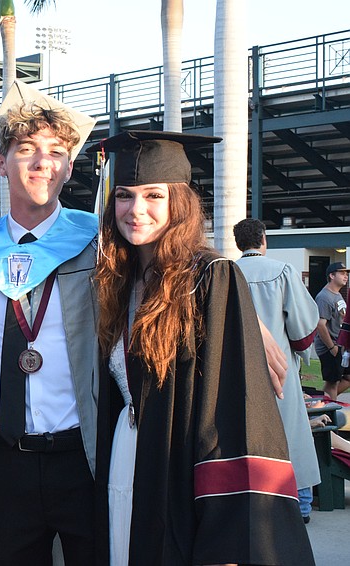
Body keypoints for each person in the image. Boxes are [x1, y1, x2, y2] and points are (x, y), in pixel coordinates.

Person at [92, 130, 315, 565]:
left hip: (182, 474)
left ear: (179, 201)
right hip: (127, 458)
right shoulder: (116, 281)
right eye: (124, 195)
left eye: (153, 195)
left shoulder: (209, 277)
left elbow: (233, 411)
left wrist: (227, 538)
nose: (136, 210)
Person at [0, 80, 101, 566]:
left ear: (69, 166)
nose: (43, 163)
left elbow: (170, 282)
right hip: (4, 462)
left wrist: (251, 322)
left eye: (57, 152)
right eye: (27, 150)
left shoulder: (100, 246)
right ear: (1, 162)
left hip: (82, 458)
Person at [234, 217, 321, 522]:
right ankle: (299, 507)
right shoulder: (282, 271)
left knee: (245, 439)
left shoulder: (225, 274)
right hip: (279, 370)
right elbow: (302, 330)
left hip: (237, 371)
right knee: (291, 438)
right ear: (263, 239)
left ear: (237, 243)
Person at [314, 261, 350, 400]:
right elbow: (321, 325)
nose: (345, 276)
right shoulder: (324, 297)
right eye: (342, 273)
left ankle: (322, 401)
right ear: (332, 275)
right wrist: (332, 347)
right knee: (332, 382)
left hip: (341, 346)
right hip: (330, 346)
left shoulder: (337, 295)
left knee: (347, 378)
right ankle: (328, 410)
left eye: (346, 273)